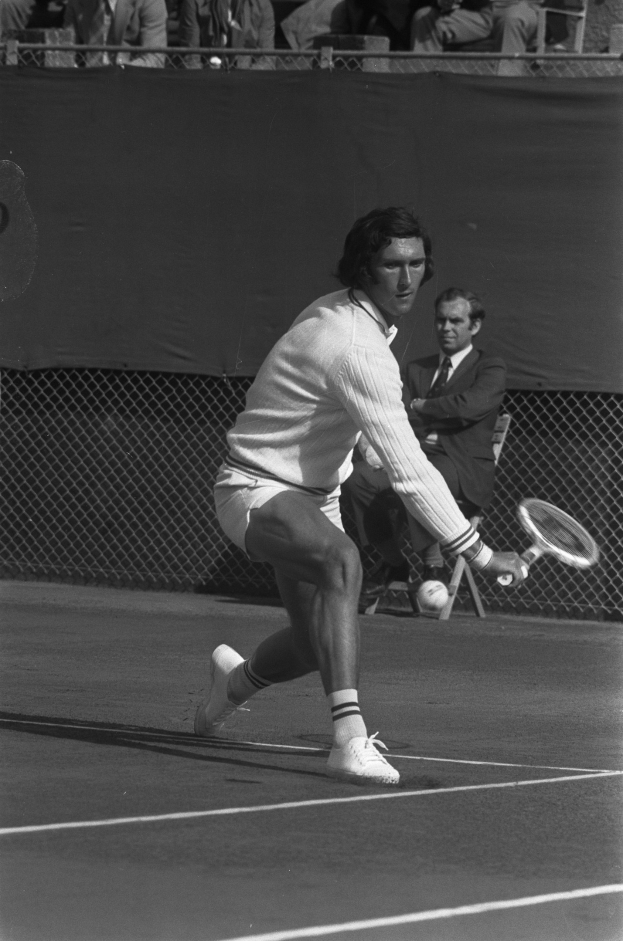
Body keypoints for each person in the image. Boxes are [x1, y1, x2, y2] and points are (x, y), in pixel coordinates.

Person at [196, 208, 525, 787]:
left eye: (416, 264)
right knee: (343, 559)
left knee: (310, 647)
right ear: (365, 267)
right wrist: (479, 554)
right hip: (255, 487)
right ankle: (349, 739)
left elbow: (330, 414)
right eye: (392, 264)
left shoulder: (347, 315)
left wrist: (362, 448)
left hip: (314, 495)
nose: (407, 278)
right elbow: (412, 472)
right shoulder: (357, 344)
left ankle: (233, 684)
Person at [344, 287, 506, 597]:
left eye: (456, 321)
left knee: (419, 477)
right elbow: (401, 415)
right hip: (415, 456)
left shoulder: (489, 367)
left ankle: (434, 565)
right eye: (441, 320)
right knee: (359, 478)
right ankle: (394, 563)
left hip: (461, 468)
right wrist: (434, 411)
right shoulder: (417, 369)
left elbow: (472, 406)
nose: (446, 328)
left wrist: (424, 406)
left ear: (474, 326)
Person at [410, 0, 541, 74]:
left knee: (512, 20)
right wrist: (441, 2)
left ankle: (507, 92)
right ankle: (422, 86)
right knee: (423, 17)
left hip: (517, 7)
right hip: (476, 14)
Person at [63, 0, 167, 67]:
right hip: (87, 82)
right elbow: (65, 51)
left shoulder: (150, 2)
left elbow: (155, 59)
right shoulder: (75, 2)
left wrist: (117, 73)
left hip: (130, 81)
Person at [177, 0, 275, 69]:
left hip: (247, 79)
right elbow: (191, 59)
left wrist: (246, 79)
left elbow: (267, 59)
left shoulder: (262, 5)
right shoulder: (194, 3)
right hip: (208, 77)